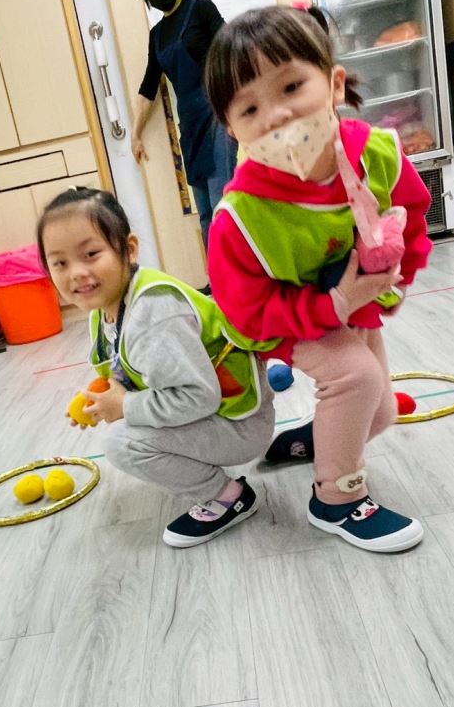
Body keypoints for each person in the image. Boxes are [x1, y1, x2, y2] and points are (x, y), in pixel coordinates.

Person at [203, 5, 433, 553]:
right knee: (356, 377)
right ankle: (335, 499)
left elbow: (411, 216)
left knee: (379, 411)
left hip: (356, 298)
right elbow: (245, 311)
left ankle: (315, 437)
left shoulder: (377, 154)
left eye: (291, 87)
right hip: (287, 316)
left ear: (332, 83)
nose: (277, 115)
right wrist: (330, 306)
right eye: (250, 108)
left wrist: (393, 282)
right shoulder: (240, 216)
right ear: (232, 128)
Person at [37, 187, 276, 548]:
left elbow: (199, 397)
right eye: (60, 263)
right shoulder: (105, 310)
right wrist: (102, 399)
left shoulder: (152, 313)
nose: (77, 272)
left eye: (91, 254)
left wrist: (124, 406)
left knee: (121, 443)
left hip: (240, 425)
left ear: (129, 249)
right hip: (220, 416)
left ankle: (229, 497)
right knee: (126, 429)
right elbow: (128, 371)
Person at [131, 0, 236, 249]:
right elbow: (148, 87)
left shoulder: (200, 7)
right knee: (205, 215)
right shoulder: (157, 36)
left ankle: (238, 271)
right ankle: (216, 272)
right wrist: (135, 134)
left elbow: (231, 51)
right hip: (190, 130)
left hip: (217, 119)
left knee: (221, 207)